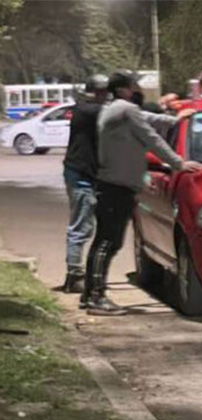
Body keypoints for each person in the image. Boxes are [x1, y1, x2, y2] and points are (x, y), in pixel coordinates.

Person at [81, 70, 202, 315]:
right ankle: (96, 297)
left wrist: (176, 119)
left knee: (104, 240)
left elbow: (147, 118)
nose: (137, 89)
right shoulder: (125, 109)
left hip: (110, 183)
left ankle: (90, 292)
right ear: (125, 88)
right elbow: (151, 138)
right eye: (133, 85)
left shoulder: (114, 108)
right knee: (109, 241)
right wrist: (179, 163)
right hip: (118, 185)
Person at [61, 74, 108, 293]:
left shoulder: (86, 109)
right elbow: (117, 113)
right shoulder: (89, 110)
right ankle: (74, 275)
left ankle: (77, 273)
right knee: (80, 227)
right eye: (103, 92)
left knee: (85, 225)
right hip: (81, 175)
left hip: (83, 173)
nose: (106, 96)